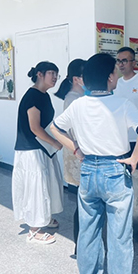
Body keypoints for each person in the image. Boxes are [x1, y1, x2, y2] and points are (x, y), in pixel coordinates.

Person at [51, 53, 138, 274]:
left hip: (88, 171)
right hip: (115, 170)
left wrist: (76, 150)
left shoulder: (78, 105)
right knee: (119, 234)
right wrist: (134, 158)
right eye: (115, 72)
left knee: (89, 230)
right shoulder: (122, 103)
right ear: (109, 78)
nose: (117, 75)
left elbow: (54, 128)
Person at [12, 61, 64, 245]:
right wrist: (55, 142)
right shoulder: (33, 96)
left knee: (46, 185)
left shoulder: (44, 95)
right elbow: (34, 127)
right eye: (51, 73)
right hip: (31, 150)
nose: (55, 77)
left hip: (42, 148)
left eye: (57, 74)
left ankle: (44, 218)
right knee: (36, 188)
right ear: (40, 75)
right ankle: (34, 230)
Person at [54, 58, 86, 250]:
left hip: (78, 156)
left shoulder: (77, 97)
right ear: (76, 79)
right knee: (84, 204)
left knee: (84, 203)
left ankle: (81, 244)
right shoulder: (74, 100)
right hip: (80, 157)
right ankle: (80, 245)